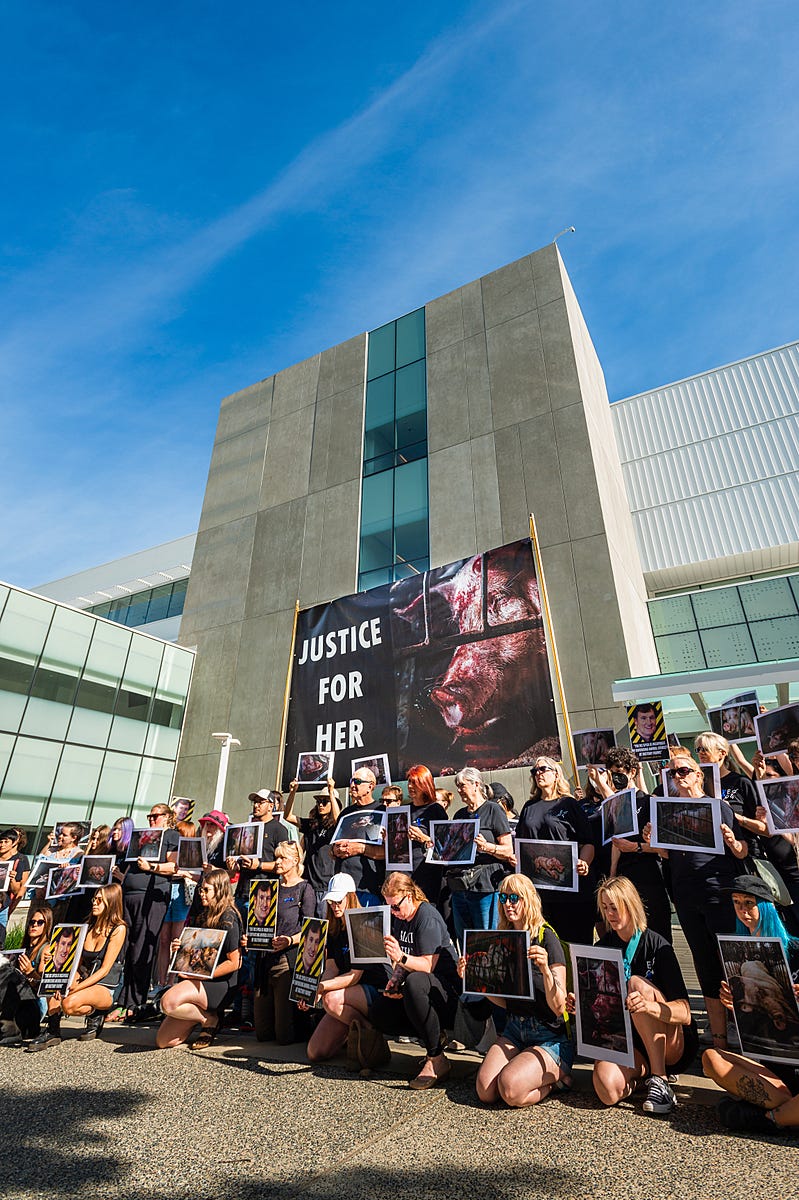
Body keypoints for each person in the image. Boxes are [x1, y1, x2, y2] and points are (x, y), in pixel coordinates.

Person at [645, 753, 748, 1049]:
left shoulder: (719, 808)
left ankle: (746, 1034)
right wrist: (655, 844)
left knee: (731, 962)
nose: (678, 777)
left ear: (699, 775)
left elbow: (742, 852)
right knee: (704, 964)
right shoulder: (667, 812)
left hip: (719, 893)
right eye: (673, 773)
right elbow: (667, 855)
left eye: (684, 770)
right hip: (686, 897)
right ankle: (719, 1040)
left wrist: (732, 841)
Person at [328, 872, 461, 1089]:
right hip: (423, 988)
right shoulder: (401, 917)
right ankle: (433, 1037)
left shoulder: (426, 916)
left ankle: (435, 1058)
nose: (394, 912)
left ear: (409, 896)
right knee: (381, 1009)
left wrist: (400, 957)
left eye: (396, 906)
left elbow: (427, 966)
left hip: (448, 993)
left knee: (416, 982)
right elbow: (403, 966)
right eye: (390, 907)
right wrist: (396, 980)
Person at [583, 877, 697, 1116]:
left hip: (671, 1042)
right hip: (631, 1042)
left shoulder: (656, 945)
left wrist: (651, 1006)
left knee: (636, 984)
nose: (610, 914)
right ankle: (644, 1079)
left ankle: (661, 1079)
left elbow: (685, 1013)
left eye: (614, 906)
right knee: (606, 1089)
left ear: (630, 904)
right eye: (605, 907)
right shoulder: (604, 946)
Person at [461, 874, 572, 1107]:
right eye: (503, 897)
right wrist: (474, 978)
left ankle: (556, 1081)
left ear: (528, 900)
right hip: (515, 1028)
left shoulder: (546, 937)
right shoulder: (505, 937)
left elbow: (559, 1006)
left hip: (549, 1035)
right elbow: (505, 1002)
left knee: (510, 1090)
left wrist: (544, 970)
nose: (508, 903)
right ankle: (528, 1072)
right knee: (485, 1091)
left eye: (514, 898)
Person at [702, 874, 799, 1134]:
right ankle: (788, 1114)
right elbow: (751, 1022)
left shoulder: (796, 950)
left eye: (749, 902)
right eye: (737, 903)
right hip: (770, 1065)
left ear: (766, 907)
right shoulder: (736, 952)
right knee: (712, 1058)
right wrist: (731, 1004)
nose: (743, 910)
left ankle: (767, 1119)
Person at [26, 883, 128, 1051]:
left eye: (100, 900)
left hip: (106, 983)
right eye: (94, 899)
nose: (94, 903)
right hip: (86, 976)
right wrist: (54, 963)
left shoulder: (118, 929)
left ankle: (96, 1012)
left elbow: (105, 970)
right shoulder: (88, 927)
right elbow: (75, 963)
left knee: (69, 1004)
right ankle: (52, 1029)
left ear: (110, 903)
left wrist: (75, 988)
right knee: (55, 977)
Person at [591, 748, 672, 941]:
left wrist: (636, 847)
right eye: (612, 773)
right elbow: (615, 843)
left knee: (658, 933)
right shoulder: (613, 804)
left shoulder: (649, 801)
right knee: (630, 934)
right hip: (625, 878)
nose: (616, 777)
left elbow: (664, 847)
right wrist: (612, 874)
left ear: (632, 772)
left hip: (649, 875)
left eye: (620, 772)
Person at [156, 868, 242, 1050]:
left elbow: (235, 962)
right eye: (201, 889)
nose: (201, 893)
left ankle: (210, 1018)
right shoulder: (201, 914)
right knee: (164, 1041)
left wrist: (205, 976)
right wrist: (179, 950)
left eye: (206, 890)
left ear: (219, 890)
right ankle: (203, 1017)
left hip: (219, 983)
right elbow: (191, 952)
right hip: (196, 978)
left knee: (168, 1002)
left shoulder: (229, 918)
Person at [304, 872, 384, 1063]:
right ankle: (357, 1033)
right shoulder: (333, 928)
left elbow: (354, 976)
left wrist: (322, 988)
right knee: (315, 1052)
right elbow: (331, 968)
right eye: (331, 901)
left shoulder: (363, 924)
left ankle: (370, 1034)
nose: (334, 906)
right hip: (346, 993)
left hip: (373, 989)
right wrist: (312, 992)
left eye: (338, 901)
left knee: (330, 999)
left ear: (350, 897)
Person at [515, 757, 596, 944]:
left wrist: (584, 863)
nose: (538, 774)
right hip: (540, 891)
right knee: (547, 946)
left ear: (556, 774)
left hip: (571, 890)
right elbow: (521, 844)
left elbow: (588, 842)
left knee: (576, 944)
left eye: (543, 769)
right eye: (534, 771)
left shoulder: (569, 804)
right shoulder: (529, 807)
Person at [118, 804, 179, 1022]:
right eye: (149, 816)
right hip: (129, 894)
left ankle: (136, 1001)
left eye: (156, 816)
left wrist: (151, 868)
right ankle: (125, 999)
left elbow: (174, 866)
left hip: (152, 895)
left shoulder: (172, 835)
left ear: (167, 817)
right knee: (127, 946)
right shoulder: (141, 836)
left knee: (143, 946)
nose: (152, 819)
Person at [252, 841, 316, 1044]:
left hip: (286, 961)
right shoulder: (269, 888)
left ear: (295, 861)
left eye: (282, 858)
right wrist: (250, 937)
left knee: (284, 1036)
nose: (277, 862)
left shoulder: (304, 889)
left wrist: (289, 940)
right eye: (276, 857)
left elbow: (310, 929)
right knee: (262, 1034)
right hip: (264, 960)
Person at [446, 766, 513, 946]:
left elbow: (508, 850)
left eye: (462, 785)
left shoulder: (493, 810)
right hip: (461, 886)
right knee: (466, 941)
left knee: (487, 939)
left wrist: (488, 847)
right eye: (457, 786)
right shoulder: (459, 815)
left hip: (485, 887)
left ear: (476, 784)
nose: (459, 790)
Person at [283, 777, 341, 912]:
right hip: (308, 882)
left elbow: (338, 820)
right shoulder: (311, 824)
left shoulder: (335, 827)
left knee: (323, 924)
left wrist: (331, 792)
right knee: (307, 923)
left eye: (325, 801)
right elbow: (288, 817)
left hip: (326, 884)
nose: (320, 804)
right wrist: (292, 792)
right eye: (319, 801)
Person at [330, 768, 386, 905]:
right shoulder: (345, 813)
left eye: (358, 781)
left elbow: (386, 852)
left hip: (368, 889)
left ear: (370, 786)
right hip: (342, 889)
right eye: (351, 781)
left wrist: (360, 848)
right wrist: (335, 850)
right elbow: (331, 848)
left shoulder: (382, 811)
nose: (352, 785)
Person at [155, 820, 197, 989]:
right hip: (167, 887)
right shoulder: (169, 850)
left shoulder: (191, 851)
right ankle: (161, 980)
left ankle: (172, 980)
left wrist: (184, 872)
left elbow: (196, 874)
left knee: (176, 939)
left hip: (182, 890)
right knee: (163, 939)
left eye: (179, 833)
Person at [0, 904, 51, 1044]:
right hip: (18, 1001)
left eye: (40, 923)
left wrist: (30, 972)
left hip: (35, 1004)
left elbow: (45, 985)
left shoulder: (46, 949)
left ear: (47, 926)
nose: (34, 925)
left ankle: (20, 1031)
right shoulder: (26, 949)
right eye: (32, 922)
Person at [0, 828, 30, 948]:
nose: (2, 845)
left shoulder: (20, 860)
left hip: (4, 905)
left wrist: (11, 878)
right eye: (0, 842)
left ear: (14, 842)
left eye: (6, 842)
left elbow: (18, 889)